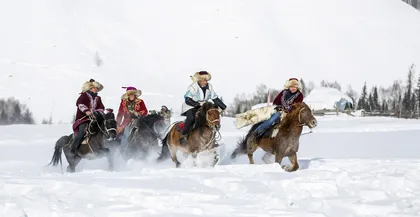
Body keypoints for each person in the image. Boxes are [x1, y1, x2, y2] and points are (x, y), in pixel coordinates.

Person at [180, 71, 227, 144]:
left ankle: (211, 139)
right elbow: (187, 99)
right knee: (191, 118)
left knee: (210, 118)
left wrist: (224, 107)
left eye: (206, 80)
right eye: (204, 80)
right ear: (199, 80)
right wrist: (197, 104)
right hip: (191, 106)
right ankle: (184, 136)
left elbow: (215, 98)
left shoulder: (209, 87)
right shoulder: (193, 87)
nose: (205, 82)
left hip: (203, 106)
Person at [71, 79, 105, 153]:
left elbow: (101, 107)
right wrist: (86, 111)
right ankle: (74, 148)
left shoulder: (98, 98)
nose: (97, 90)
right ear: (91, 88)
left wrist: (97, 112)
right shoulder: (84, 95)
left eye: (97, 88)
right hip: (83, 119)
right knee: (82, 132)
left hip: (94, 119)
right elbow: (80, 104)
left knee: (103, 128)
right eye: (95, 88)